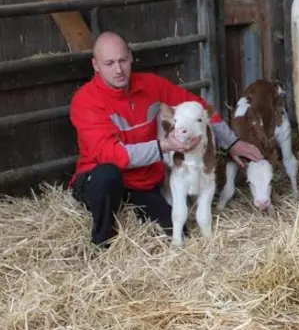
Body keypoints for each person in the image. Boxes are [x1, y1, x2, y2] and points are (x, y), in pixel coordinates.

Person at [69, 31, 264, 247]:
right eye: (109, 63)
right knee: (107, 175)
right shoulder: (85, 101)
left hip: (141, 183)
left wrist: (232, 143)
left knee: (176, 234)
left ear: (131, 56)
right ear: (96, 65)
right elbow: (111, 155)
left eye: (123, 60)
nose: (118, 69)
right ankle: (102, 243)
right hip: (97, 179)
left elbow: (198, 108)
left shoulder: (151, 86)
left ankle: (137, 208)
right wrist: (165, 146)